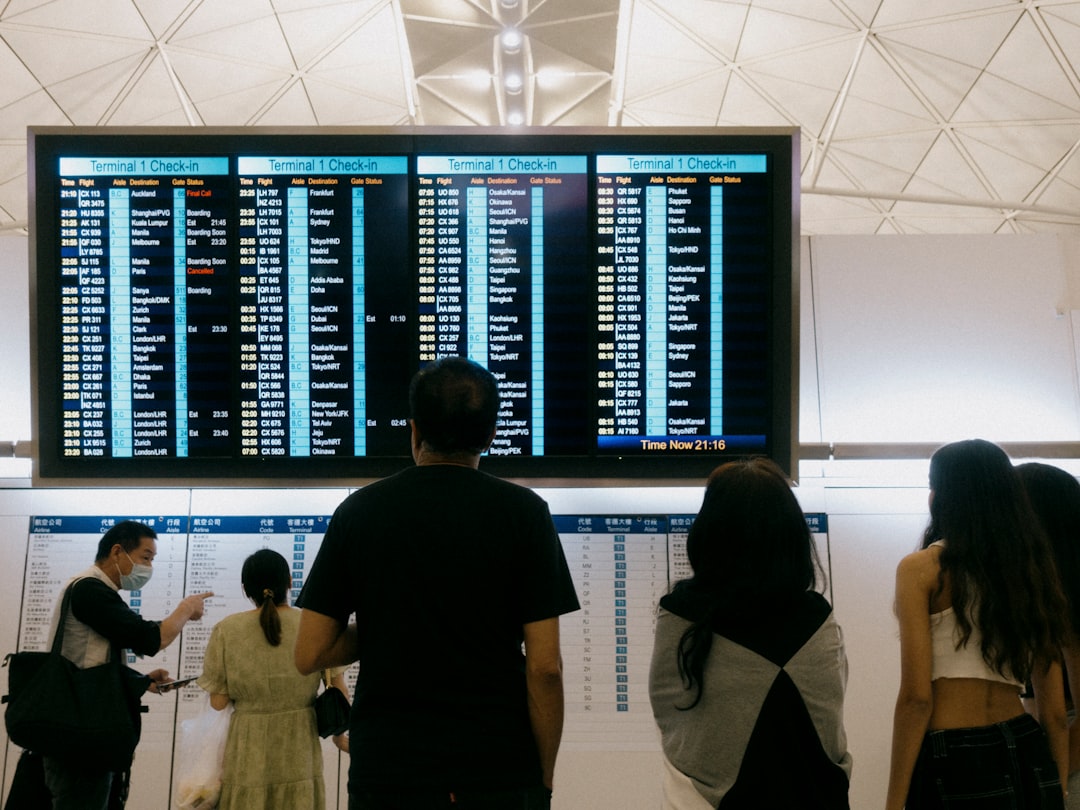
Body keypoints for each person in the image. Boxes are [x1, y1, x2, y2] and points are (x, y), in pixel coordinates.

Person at [294, 356, 580, 810]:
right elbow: (545, 667)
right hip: (498, 769)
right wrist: (542, 774)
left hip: (388, 771)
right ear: (490, 435)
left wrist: (384, 629)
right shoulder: (525, 513)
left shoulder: (360, 512)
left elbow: (310, 654)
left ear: (413, 430)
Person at [649, 458, 852, 809]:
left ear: (709, 532)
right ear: (791, 533)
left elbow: (667, 708)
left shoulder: (683, 612)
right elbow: (829, 712)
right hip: (816, 795)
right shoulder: (817, 617)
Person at [887, 439, 1069, 810]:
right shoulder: (1030, 570)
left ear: (944, 495)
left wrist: (893, 802)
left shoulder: (921, 569)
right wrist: (1057, 790)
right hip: (1026, 745)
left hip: (954, 752)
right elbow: (1053, 712)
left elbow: (917, 699)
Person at [42, 519, 213, 810]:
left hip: (81, 730)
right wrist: (185, 609)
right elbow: (149, 639)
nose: (149, 567)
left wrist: (140, 680)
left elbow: (92, 666)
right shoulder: (90, 590)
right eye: (145, 557)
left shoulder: (93, 590)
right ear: (117, 552)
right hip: (80, 738)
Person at [198, 548, 344, 809]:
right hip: (300, 744)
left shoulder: (226, 630)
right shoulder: (312, 627)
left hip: (247, 748)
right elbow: (339, 690)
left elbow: (218, 702)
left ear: (245, 589)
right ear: (289, 582)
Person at [1016, 462, 1080, 809]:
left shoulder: (1063, 596)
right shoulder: (1053, 588)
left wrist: (1053, 780)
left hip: (1067, 743)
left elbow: (1060, 714)